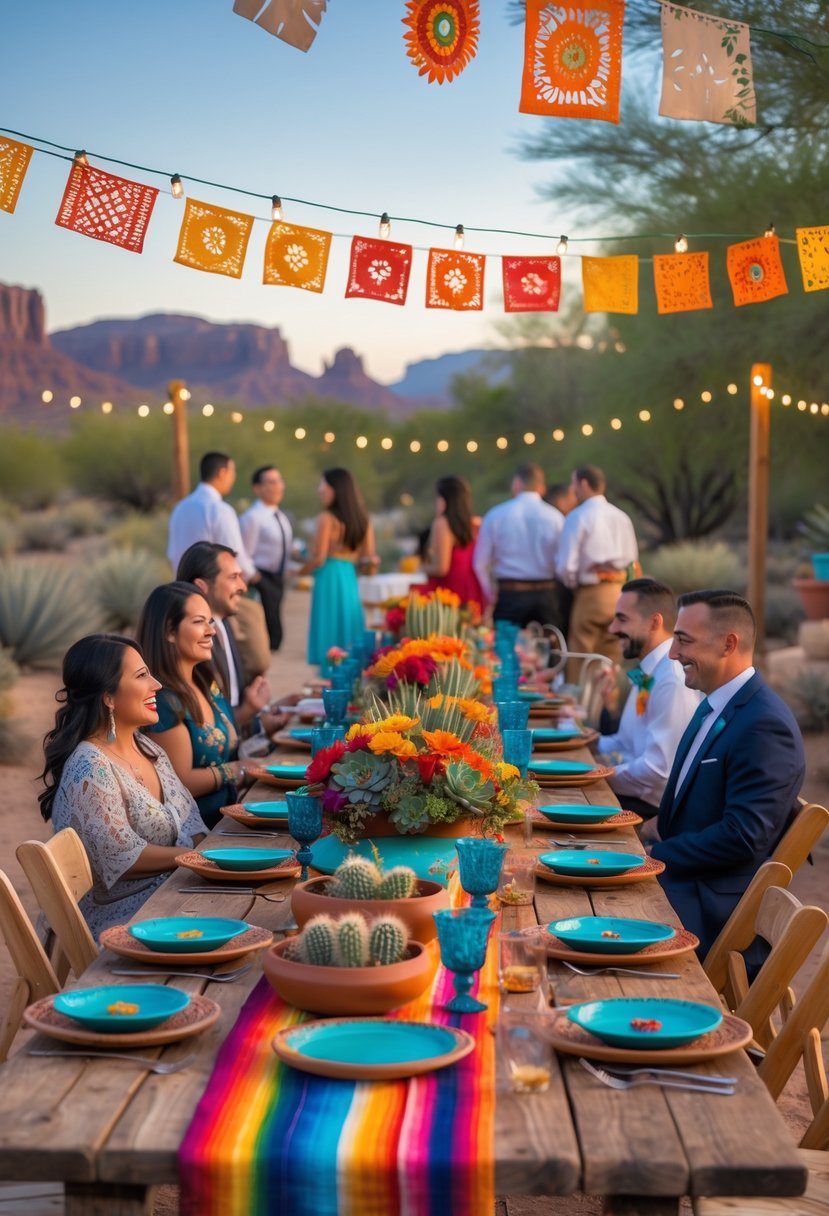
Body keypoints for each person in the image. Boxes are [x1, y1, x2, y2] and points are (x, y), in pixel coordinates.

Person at [651, 589, 806, 959]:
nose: (673, 653)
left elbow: (742, 836)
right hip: (684, 882)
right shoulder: (714, 705)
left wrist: (656, 855)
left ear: (728, 644)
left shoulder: (765, 725)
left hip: (710, 910)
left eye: (684, 640)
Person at [38, 634, 207, 941]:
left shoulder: (147, 748)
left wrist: (203, 854)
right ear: (109, 697)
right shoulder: (90, 766)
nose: (156, 684)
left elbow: (191, 819)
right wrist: (195, 857)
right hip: (124, 923)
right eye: (142, 676)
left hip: (169, 901)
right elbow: (122, 857)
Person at [136, 581, 247, 830]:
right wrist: (237, 770)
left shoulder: (204, 682)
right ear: (169, 631)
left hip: (228, 820)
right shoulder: (163, 700)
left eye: (211, 622)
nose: (211, 631)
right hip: (198, 835)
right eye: (199, 622)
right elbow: (180, 781)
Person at [594, 578, 701, 818]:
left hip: (653, 811)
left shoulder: (671, 678)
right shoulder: (648, 671)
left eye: (622, 619)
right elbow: (625, 743)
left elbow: (658, 771)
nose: (612, 629)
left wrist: (596, 776)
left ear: (654, 623)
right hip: (632, 795)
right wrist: (590, 742)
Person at [176, 541, 279, 732]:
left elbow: (231, 712)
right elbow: (204, 733)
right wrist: (249, 710)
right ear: (202, 586)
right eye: (234, 577)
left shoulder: (224, 625)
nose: (243, 586)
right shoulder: (193, 643)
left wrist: (267, 714)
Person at [555, 464, 639, 678]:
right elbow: (633, 561)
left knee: (580, 657)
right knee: (610, 660)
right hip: (619, 593)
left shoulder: (578, 516)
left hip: (591, 592)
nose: (573, 490)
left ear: (583, 483)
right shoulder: (622, 517)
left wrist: (575, 585)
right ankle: (607, 707)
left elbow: (566, 566)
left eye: (574, 484)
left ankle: (578, 708)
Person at [473, 462, 566, 630]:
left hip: (510, 594)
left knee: (506, 650)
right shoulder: (556, 518)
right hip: (546, 595)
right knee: (550, 650)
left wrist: (491, 594)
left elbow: (479, 563)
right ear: (541, 487)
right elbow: (564, 562)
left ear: (516, 484)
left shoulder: (496, 515)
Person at [300, 467, 379, 665]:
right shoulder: (364, 520)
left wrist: (298, 571)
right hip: (348, 574)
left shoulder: (327, 518)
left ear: (336, 489)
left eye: (323, 485)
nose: (320, 490)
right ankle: (351, 665)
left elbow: (319, 558)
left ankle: (331, 666)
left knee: (329, 621)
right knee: (347, 619)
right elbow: (369, 558)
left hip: (329, 573)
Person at [167, 451, 258, 583]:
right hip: (210, 589)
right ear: (222, 473)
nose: (234, 478)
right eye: (232, 473)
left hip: (182, 587)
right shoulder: (220, 509)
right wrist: (255, 576)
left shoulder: (180, 507)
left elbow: (172, 553)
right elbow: (234, 554)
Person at [239, 465, 293, 652]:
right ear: (258, 488)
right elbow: (243, 552)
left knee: (276, 630)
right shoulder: (252, 517)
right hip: (261, 578)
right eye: (271, 482)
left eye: (279, 481)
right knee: (265, 631)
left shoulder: (280, 516)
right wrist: (256, 578)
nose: (278, 486)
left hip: (278, 577)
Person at [423, 475, 485, 607]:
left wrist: (422, 567)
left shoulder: (442, 523)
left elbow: (441, 568)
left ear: (445, 500)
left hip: (449, 593)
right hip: (471, 590)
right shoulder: (475, 524)